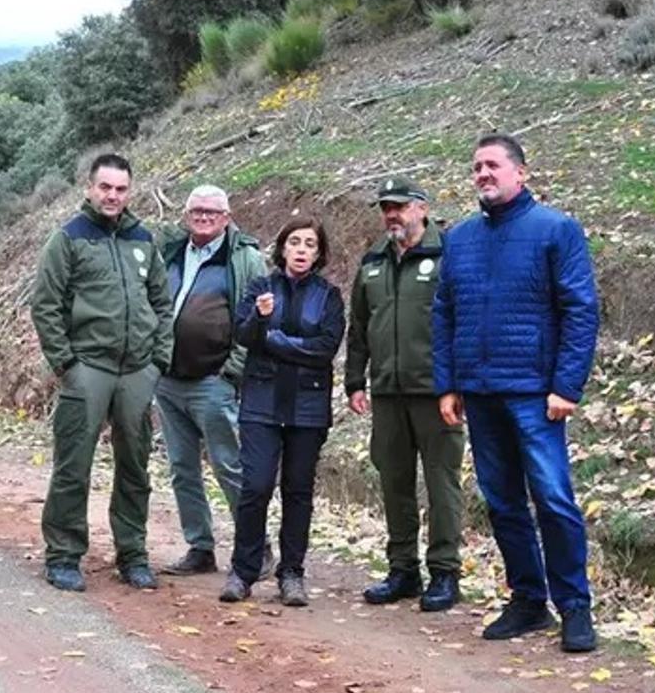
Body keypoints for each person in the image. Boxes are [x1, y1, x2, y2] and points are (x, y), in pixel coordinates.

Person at [433, 133, 600, 652]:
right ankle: (529, 601)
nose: (483, 173)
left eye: (493, 165)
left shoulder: (556, 229)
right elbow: (444, 312)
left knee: (552, 499)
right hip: (479, 393)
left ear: (520, 173)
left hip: (535, 394)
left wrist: (566, 385)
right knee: (503, 502)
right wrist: (449, 383)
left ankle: (575, 607)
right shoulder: (459, 239)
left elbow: (581, 309)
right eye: (476, 166)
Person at [31, 153, 174, 593]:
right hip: (87, 367)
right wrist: (66, 365)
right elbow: (46, 305)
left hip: (137, 370)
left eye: (121, 189)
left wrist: (158, 361)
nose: (113, 196)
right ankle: (63, 555)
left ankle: (132, 553)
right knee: (74, 465)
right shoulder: (69, 239)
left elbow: (162, 304)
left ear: (130, 192)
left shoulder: (143, 239)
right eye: (105, 187)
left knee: (135, 466)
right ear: (90, 188)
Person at [345, 177, 465, 612]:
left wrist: (459, 383)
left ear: (421, 208)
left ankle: (446, 572)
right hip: (388, 393)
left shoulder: (448, 253)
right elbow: (358, 327)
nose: (391, 215)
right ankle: (403, 570)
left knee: (441, 484)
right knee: (394, 482)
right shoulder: (373, 261)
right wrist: (355, 381)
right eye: (385, 208)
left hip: (437, 393)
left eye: (399, 206)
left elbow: (462, 322)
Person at [219, 215, 345, 606]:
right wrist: (259, 320)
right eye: (295, 243)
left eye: (310, 244)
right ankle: (243, 571)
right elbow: (241, 336)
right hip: (261, 402)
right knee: (255, 487)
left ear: (319, 252)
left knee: (298, 491)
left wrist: (275, 341)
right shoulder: (261, 288)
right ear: (282, 248)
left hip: (308, 408)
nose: (302, 250)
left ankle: (292, 573)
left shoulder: (329, 296)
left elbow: (326, 347)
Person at [156, 184, 273, 578]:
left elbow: (258, 318)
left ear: (227, 217)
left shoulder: (245, 259)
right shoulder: (173, 251)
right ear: (186, 215)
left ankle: (255, 546)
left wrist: (232, 371)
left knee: (230, 465)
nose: (203, 217)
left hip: (214, 381)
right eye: (196, 210)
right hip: (169, 380)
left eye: (211, 211)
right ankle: (200, 547)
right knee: (181, 467)